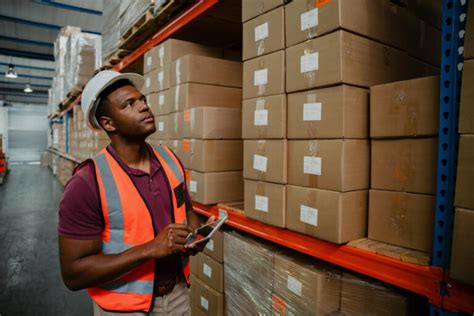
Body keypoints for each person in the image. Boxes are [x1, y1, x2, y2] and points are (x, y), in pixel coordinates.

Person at [58, 70, 210, 315]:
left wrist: (195, 234)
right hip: (124, 308)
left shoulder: (170, 160)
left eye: (142, 100)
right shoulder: (87, 183)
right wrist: (150, 248)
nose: (143, 107)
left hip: (178, 296)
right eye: (129, 104)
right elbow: (73, 274)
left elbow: (187, 211)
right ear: (108, 123)